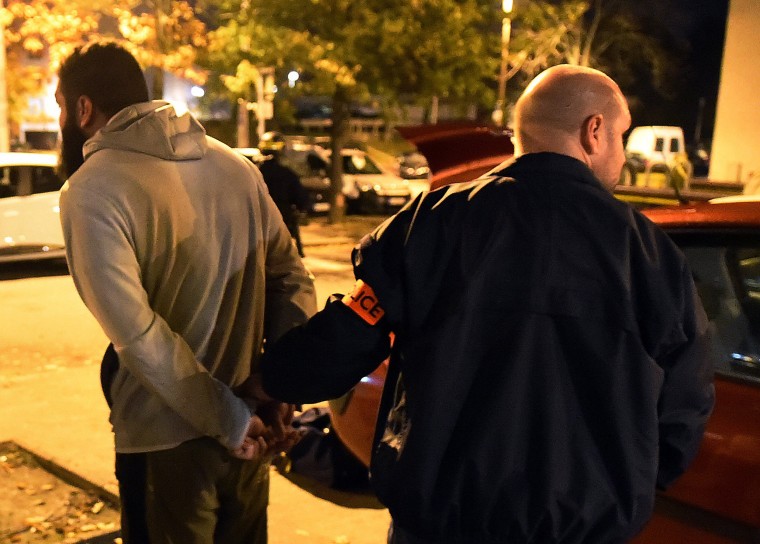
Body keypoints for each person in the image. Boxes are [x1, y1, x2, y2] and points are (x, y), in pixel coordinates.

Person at [253, 65, 715, 543]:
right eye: (622, 136)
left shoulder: (430, 224)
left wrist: (268, 385)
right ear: (594, 132)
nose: (621, 154)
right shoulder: (651, 255)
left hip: (442, 526)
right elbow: (686, 399)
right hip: (581, 531)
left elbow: (346, 334)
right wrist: (627, 484)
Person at [56, 40, 316, 544]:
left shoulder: (90, 190)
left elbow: (138, 336)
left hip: (166, 442)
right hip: (253, 428)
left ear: (83, 109)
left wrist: (231, 419)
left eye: (62, 106)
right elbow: (290, 276)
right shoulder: (234, 166)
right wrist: (278, 387)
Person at [257, 147, 309, 257]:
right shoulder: (287, 174)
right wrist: (301, 209)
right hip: (282, 218)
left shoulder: (255, 173)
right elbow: (300, 196)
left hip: (259, 220)